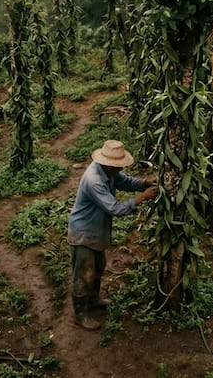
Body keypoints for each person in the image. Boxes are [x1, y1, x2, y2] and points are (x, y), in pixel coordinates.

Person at [66, 139, 158, 330]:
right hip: (84, 233)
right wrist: (142, 198)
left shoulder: (108, 171)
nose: (119, 169)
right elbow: (114, 208)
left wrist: (144, 183)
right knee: (84, 274)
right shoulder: (95, 180)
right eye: (117, 166)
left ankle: (93, 300)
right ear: (107, 164)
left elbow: (124, 181)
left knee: (98, 268)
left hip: (96, 230)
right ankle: (80, 315)